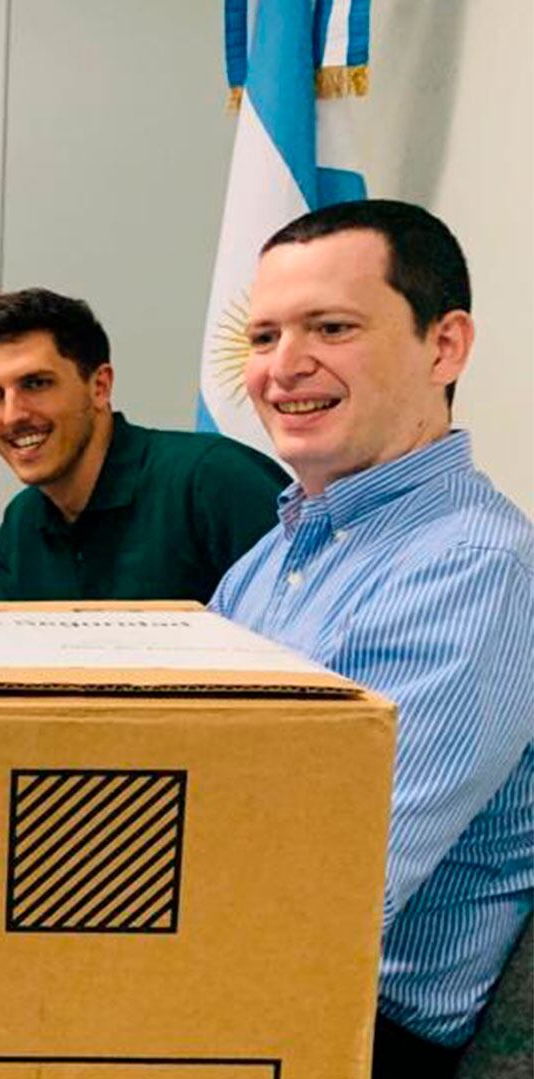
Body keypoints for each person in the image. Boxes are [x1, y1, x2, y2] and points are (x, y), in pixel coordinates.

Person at [210, 199, 533, 1077]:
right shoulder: (277, 552)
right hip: (235, 971)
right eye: (265, 335)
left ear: (445, 346)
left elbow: (319, 892)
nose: (285, 367)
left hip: (353, 1031)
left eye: (332, 327)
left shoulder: (472, 568)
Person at [0, 288, 287, 601]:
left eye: (36, 384)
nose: (11, 416)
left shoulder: (213, 480)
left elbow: (310, 634)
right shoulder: (22, 522)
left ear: (100, 387)